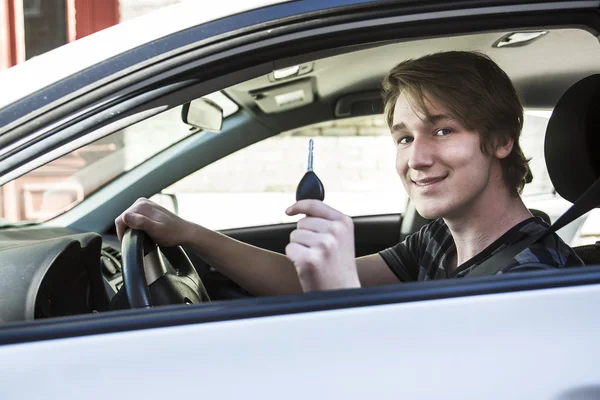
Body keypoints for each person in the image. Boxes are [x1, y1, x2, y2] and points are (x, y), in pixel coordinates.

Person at [115, 51, 582, 295]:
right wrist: (188, 233)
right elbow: (299, 280)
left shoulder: (534, 276)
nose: (415, 159)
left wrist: (341, 297)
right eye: (403, 137)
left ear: (502, 141)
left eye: (442, 130)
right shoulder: (441, 238)